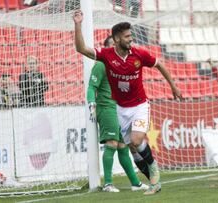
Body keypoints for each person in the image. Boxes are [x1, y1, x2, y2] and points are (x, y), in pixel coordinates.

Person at [73, 10, 182, 195]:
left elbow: (160, 64)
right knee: (132, 147)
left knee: (136, 140)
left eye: (131, 35)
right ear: (116, 39)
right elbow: (81, 49)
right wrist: (77, 24)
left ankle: (153, 166)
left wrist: (173, 86)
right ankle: (154, 184)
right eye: (127, 36)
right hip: (120, 108)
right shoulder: (107, 56)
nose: (131, 39)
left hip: (140, 105)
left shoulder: (139, 54)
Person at [87, 35, 149, 192]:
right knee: (112, 144)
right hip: (107, 108)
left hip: (119, 109)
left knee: (123, 146)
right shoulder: (101, 65)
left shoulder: (121, 66)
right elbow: (91, 87)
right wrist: (91, 103)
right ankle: (108, 183)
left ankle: (135, 183)